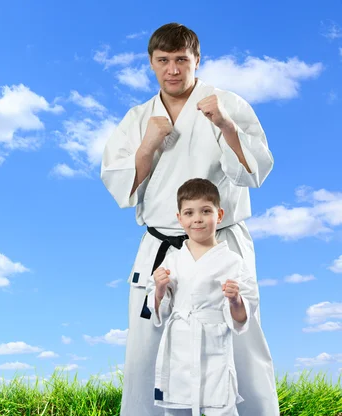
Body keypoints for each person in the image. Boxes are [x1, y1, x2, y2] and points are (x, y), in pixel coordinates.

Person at [100, 22, 280, 415]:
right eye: (163, 60)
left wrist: (225, 126)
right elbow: (120, 189)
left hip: (221, 242)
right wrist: (148, 144)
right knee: (146, 345)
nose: (173, 70)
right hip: (162, 244)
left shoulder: (226, 103)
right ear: (151, 63)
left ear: (197, 60)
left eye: (182, 60)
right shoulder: (138, 118)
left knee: (242, 341)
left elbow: (256, 172)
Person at [146, 178, 259, 416]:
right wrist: (158, 288)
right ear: (180, 219)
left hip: (213, 344)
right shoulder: (173, 258)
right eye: (189, 212)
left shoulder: (233, 262)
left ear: (219, 215)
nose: (197, 218)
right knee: (176, 405)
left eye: (205, 211)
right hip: (178, 346)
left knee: (220, 404)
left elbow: (243, 318)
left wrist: (235, 300)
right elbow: (159, 309)